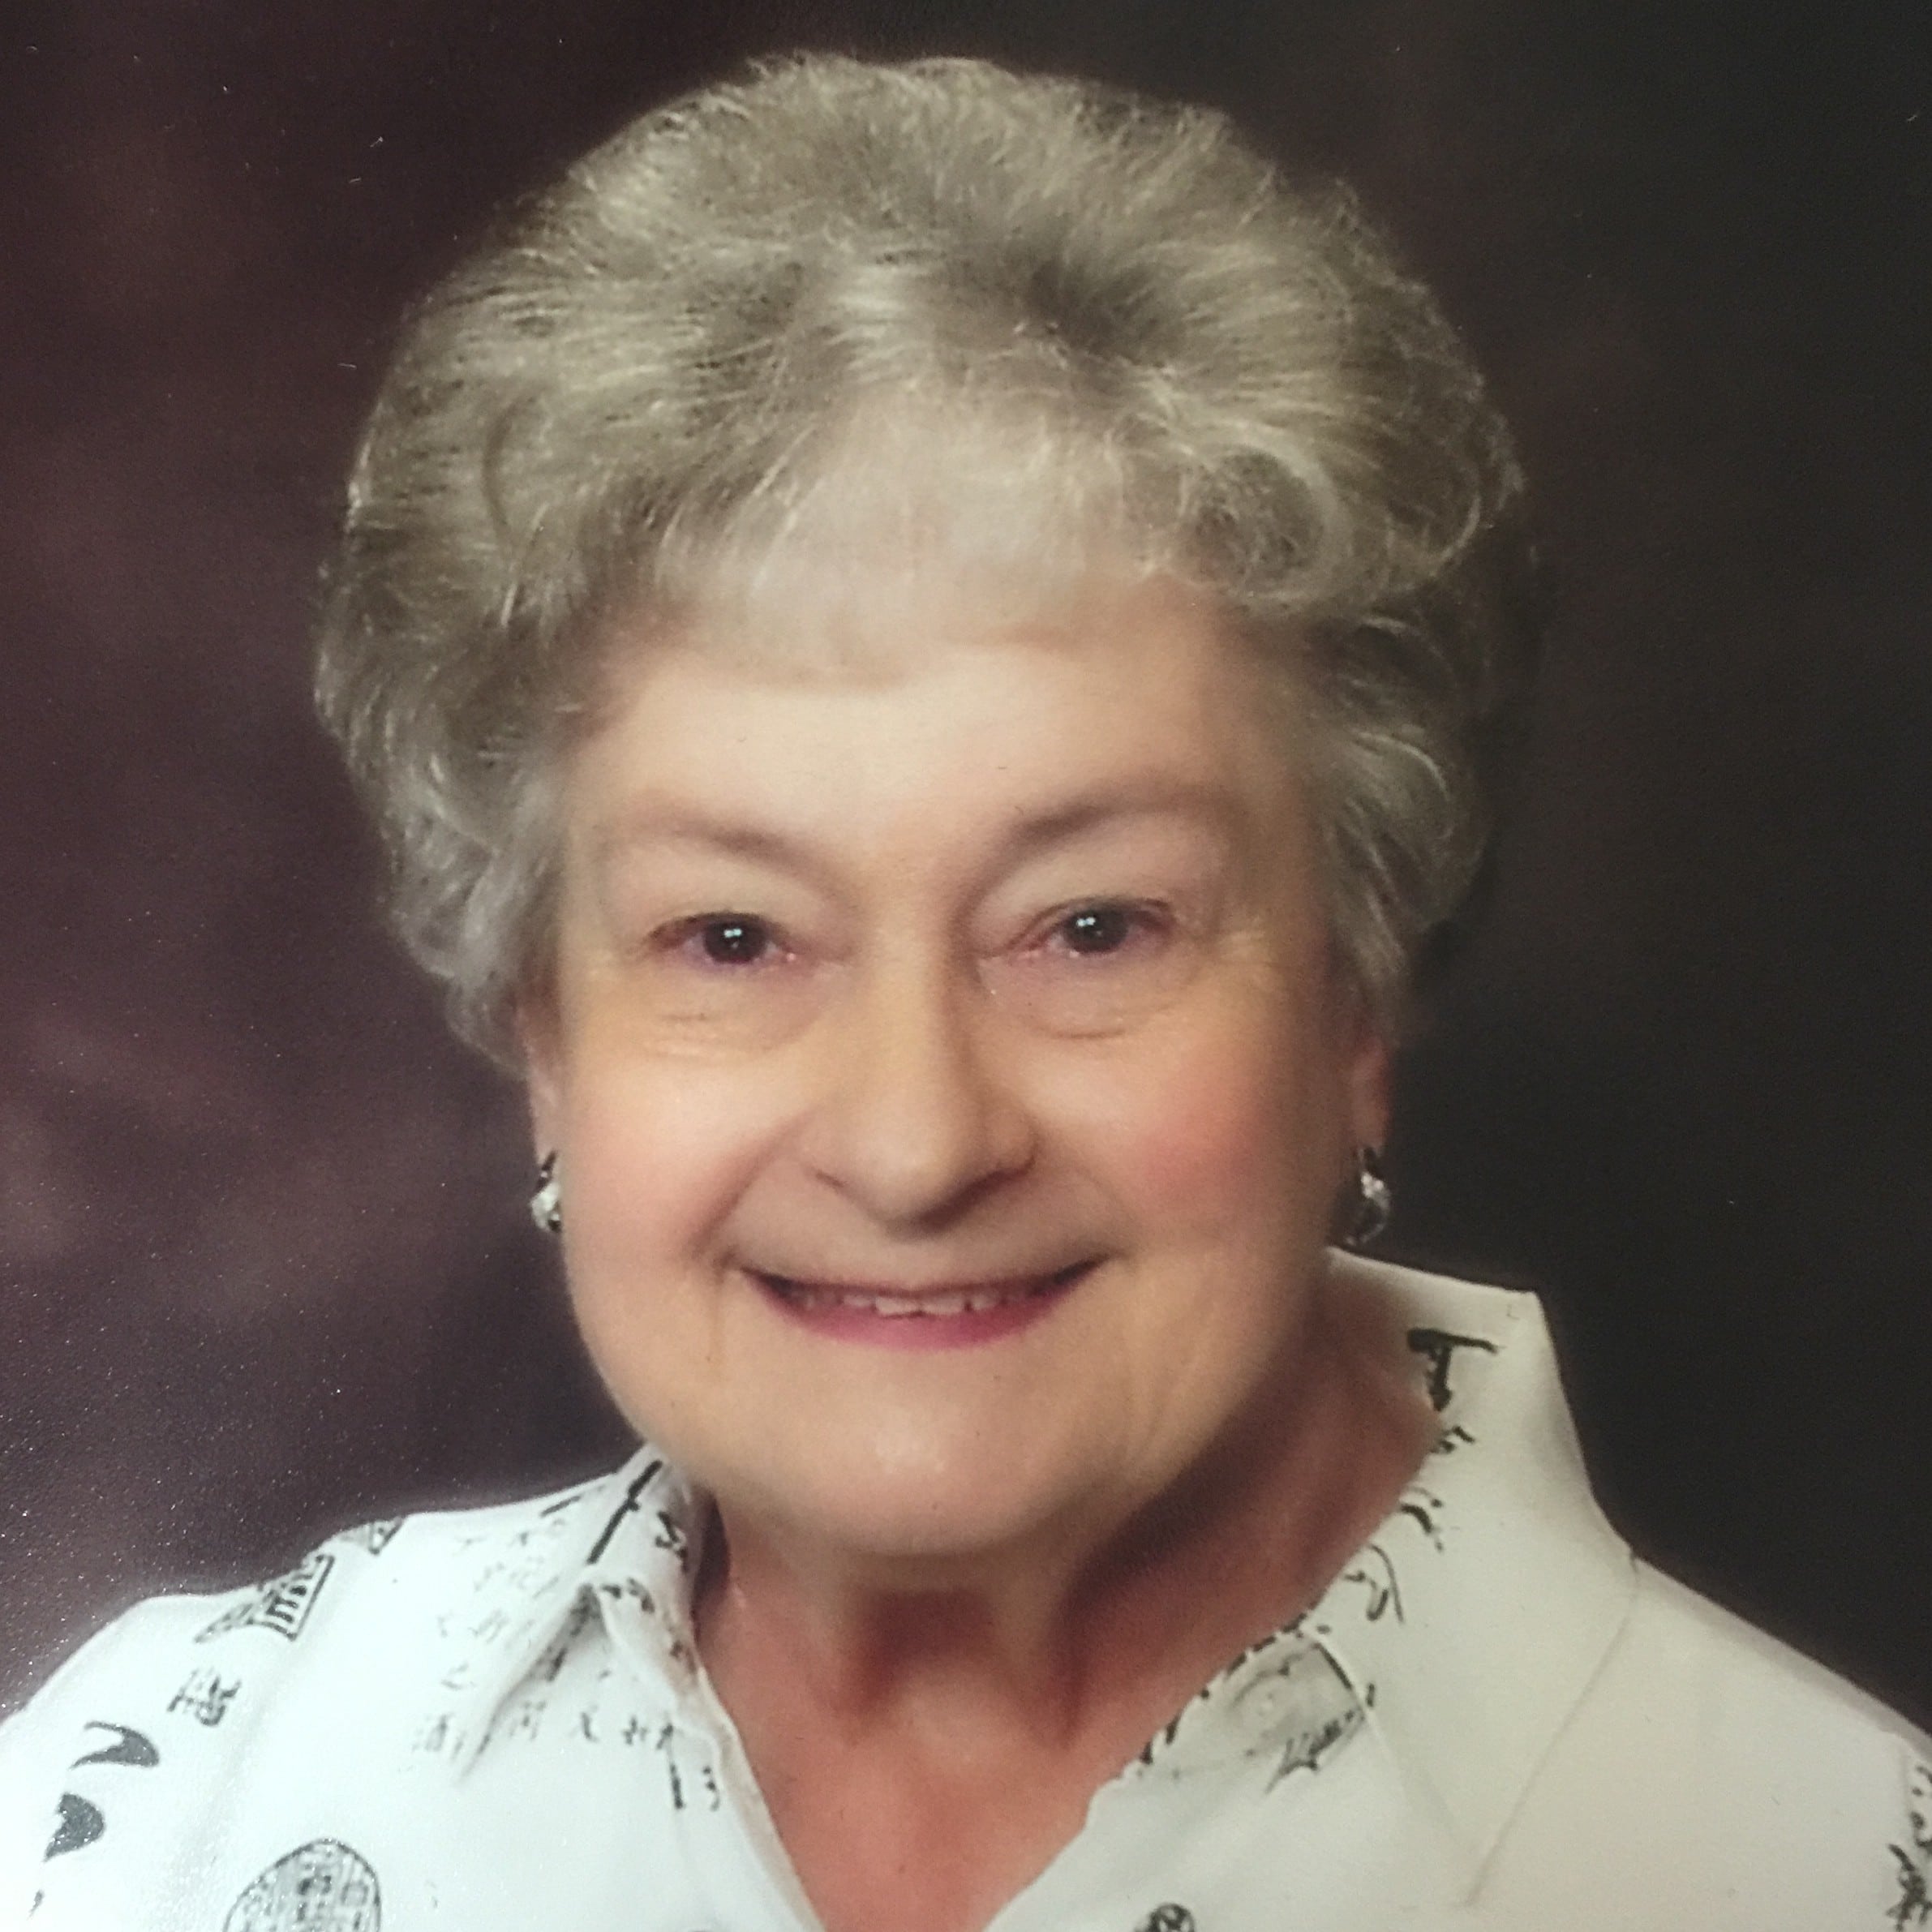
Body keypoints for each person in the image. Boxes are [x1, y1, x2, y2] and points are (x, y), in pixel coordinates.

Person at [2, 51, 1926, 1932]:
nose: (916, 1144)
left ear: (1358, 996)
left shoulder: (1830, 1876)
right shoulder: (159, 1800)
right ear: (546, 1037)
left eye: (1090, 928)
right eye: (733, 937)